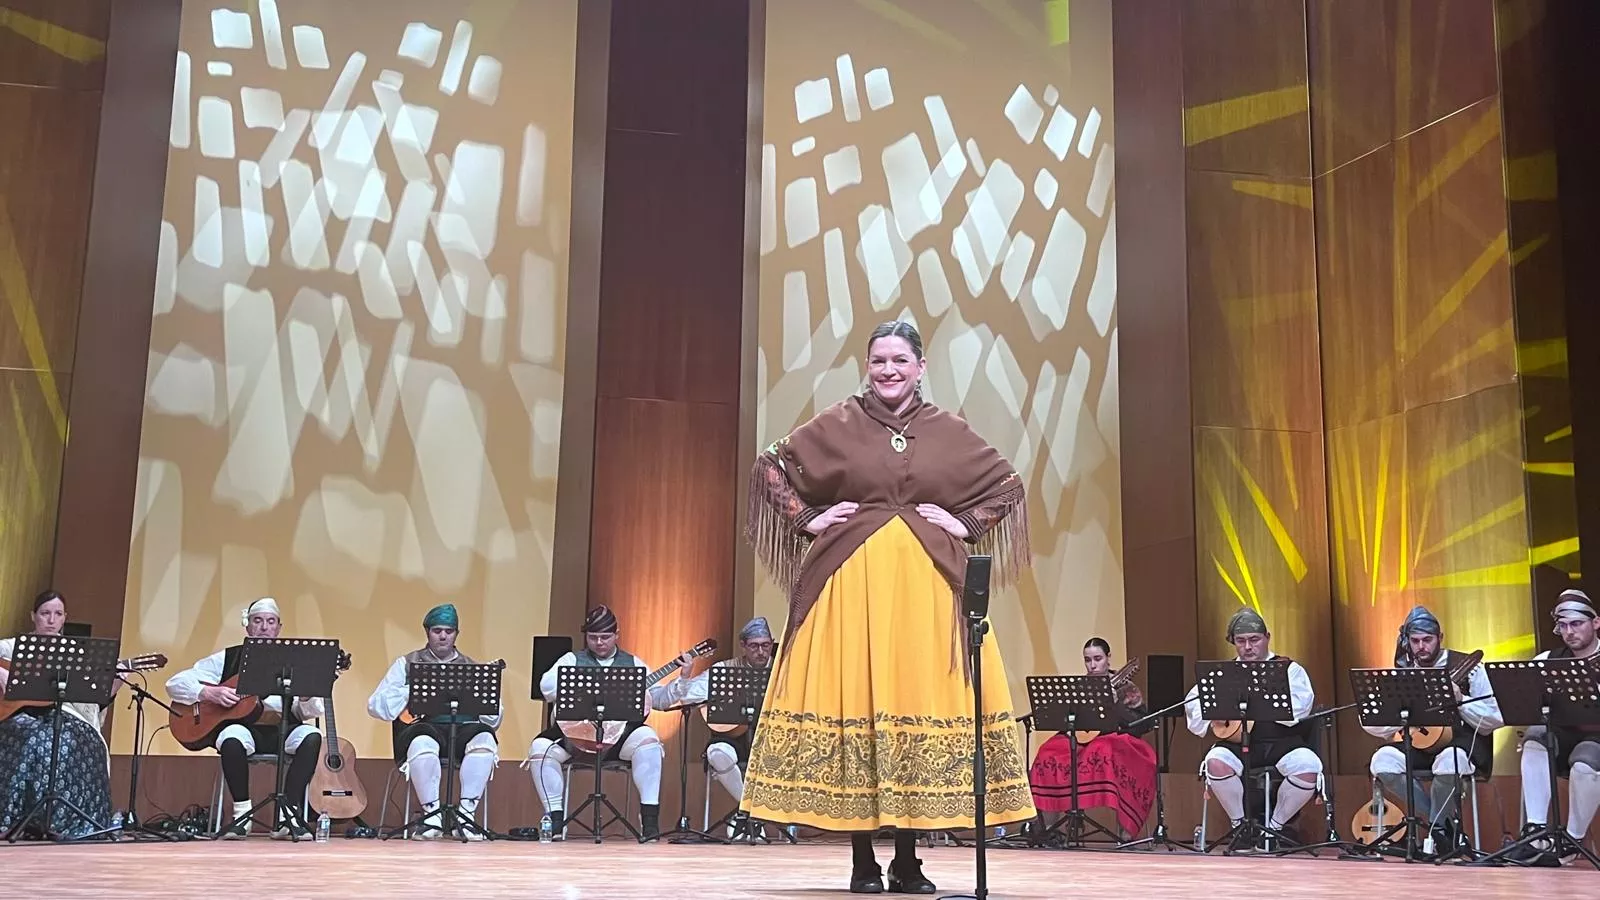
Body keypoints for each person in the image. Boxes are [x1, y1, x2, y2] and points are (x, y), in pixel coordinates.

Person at [743, 320, 1035, 894]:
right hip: (852, 586)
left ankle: (907, 860)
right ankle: (860, 862)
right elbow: (770, 465)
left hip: (927, 591)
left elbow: (1008, 484)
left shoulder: (945, 429)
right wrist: (806, 519)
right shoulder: (840, 420)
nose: (889, 370)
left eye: (900, 360)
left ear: (921, 367)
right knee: (861, 700)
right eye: (879, 361)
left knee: (910, 702)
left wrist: (966, 522)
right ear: (868, 366)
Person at [166, 597, 323, 839]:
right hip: (244, 730)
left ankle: (288, 816)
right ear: (247, 626)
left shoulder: (294, 662)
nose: (264, 627)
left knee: (312, 736)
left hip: (282, 729)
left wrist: (304, 697)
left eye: (270, 622)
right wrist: (209, 692)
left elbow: (306, 713)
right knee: (230, 737)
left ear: (279, 628)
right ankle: (242, 815)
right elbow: (175, 683)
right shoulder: (228, 658)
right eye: (257, 621)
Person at [526, 605, 672, 840]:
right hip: (575, 736)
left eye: (605, 637)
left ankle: (649, 821)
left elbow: (662, 699)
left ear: (617, 635)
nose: (599, 642)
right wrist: (583, 685)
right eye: (593, 637)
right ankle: (554, 820)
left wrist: (682, 680)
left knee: (650, 742)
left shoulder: (633, 663)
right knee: (540, 749)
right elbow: (546, 687)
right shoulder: (572, 659)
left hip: (618, 741)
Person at [1362, 606, 1500, 849]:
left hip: (1461, 744)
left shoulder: (1470, 668)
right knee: (1381, 761)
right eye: (1415, 641)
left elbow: (1493, 719)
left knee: (1450, 759)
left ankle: (1436, 827)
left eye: (1427, 640)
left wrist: (1460, 702)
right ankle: (1440, 825)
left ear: (1440, 638)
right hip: (1419, 747)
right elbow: (1374, 725)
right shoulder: (1404, 674)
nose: (1421, 646)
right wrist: (1399, 713)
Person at [1184, 608, 1321, 848]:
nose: (1248, 647)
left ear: (1267, 637)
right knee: (1215, 760)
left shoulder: (1289, 669)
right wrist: (1212, 714)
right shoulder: (1222, 673)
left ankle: (1273, 829)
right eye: (1241, 641)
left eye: (1254, 640)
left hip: (1281, 743)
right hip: (1237, 745)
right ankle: (1241, 828)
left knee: (1308, 766)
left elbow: (1302, 706)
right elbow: (1194, 705)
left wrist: (1266, 702)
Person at [366, 603, 501, 840]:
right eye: (437, 630)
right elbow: (376, 706)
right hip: (423, 728)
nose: (443, 636)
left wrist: (484, 688)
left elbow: (493, 716)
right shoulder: (407, 663)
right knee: (422, 742)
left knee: (485, 739)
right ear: (427, 632)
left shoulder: (471, 666)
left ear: (456, 634)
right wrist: (413, 688)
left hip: (460, 732)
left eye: (449, 631)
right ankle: (431, 817)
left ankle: (466, 816)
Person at [0, 591, 119, 839]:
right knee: (37, 740)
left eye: (58, 614)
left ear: (65, 618)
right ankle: (20, 818)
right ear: (33, 616)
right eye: (45, 613)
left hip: (59, 714)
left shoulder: (73, 653)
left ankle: (68, 821)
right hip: (16, 716)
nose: (51, 620)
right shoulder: (11, 646)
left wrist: (115, 682)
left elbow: (90, 696)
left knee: (87, 740)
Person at [653, 616, 776, 832]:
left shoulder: (782, 672)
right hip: (733, 738)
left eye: (766, 645)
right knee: (717, 752)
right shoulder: (724, 669)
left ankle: (745, 816)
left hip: (773, 739)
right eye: (754, 646)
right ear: (743, 646)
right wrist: (685, 675)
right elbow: (689, 695)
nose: (761, 651)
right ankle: (750, 811)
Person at [1027, 638, 1157, 840]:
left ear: (1108, 658)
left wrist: (1115, 704)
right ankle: (1050, 831)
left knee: (1105, 748)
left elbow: (1142, 725)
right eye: (1088, 660)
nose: (1093, 665)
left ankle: (1125, 835)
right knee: (1048, 751)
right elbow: (1066, 722)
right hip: (1084, 741)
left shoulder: (1126, 687)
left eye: (1098, 658)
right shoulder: (1080, 686)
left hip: (1115, 741)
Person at [1511, 590, 1600, 865]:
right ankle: (1536, 832)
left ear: (1595, 623)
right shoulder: (1547, 658)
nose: (1569, 632)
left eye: (1576, 624)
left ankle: (1571, 841)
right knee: (1535, 737)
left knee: (1585, 761)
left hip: (1596, 739)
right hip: (1563, 735)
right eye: (1563, 626)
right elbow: (1524, 699)